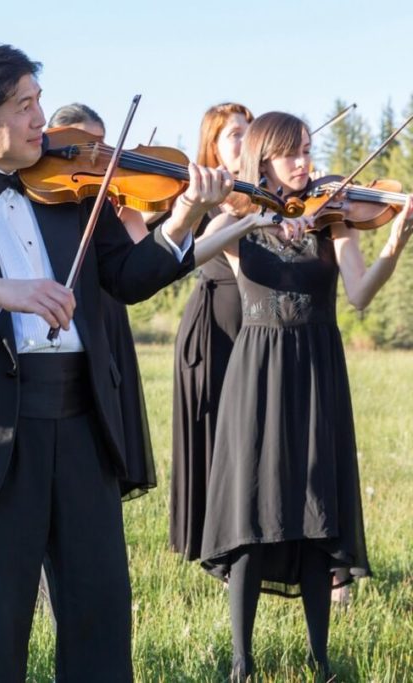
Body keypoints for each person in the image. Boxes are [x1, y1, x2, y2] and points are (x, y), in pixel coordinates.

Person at [0, 43, 233, 681]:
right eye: (25, 106)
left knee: (99, 613)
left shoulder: (71, 191)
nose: (42, 119)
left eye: (39, 101)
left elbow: (124, 278)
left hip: (81, 420)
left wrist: (184, 218)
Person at [197, 111, 413, 680]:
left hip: (318, 367)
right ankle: (241, 663)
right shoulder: (236, 215)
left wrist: (394, 243)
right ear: (263, 158)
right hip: (257, 369)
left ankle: (321, 659)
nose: (305, 164)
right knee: (249, 509)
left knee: (319, 509)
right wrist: (251, 222)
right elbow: (199, 250)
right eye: (292, 153)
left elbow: (361, 294)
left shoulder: (333, 220)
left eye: (308, 152)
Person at [47, 102, 155, 499]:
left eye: (103, 147)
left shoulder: (113, 204)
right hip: (70, 310)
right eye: (86, 148)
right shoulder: (51, 198)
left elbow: (141, 271)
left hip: (109, 315)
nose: (99, 159)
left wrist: (136, 222)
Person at [169, 103, 253, 560]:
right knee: (215, 428)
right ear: (214, 147)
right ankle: (205, 539)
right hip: (216, 326)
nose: (245, 140)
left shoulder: (264, 193)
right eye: (234, 134)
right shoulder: (204, 197)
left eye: (250, 132)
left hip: (259, 326)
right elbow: (184, 256)